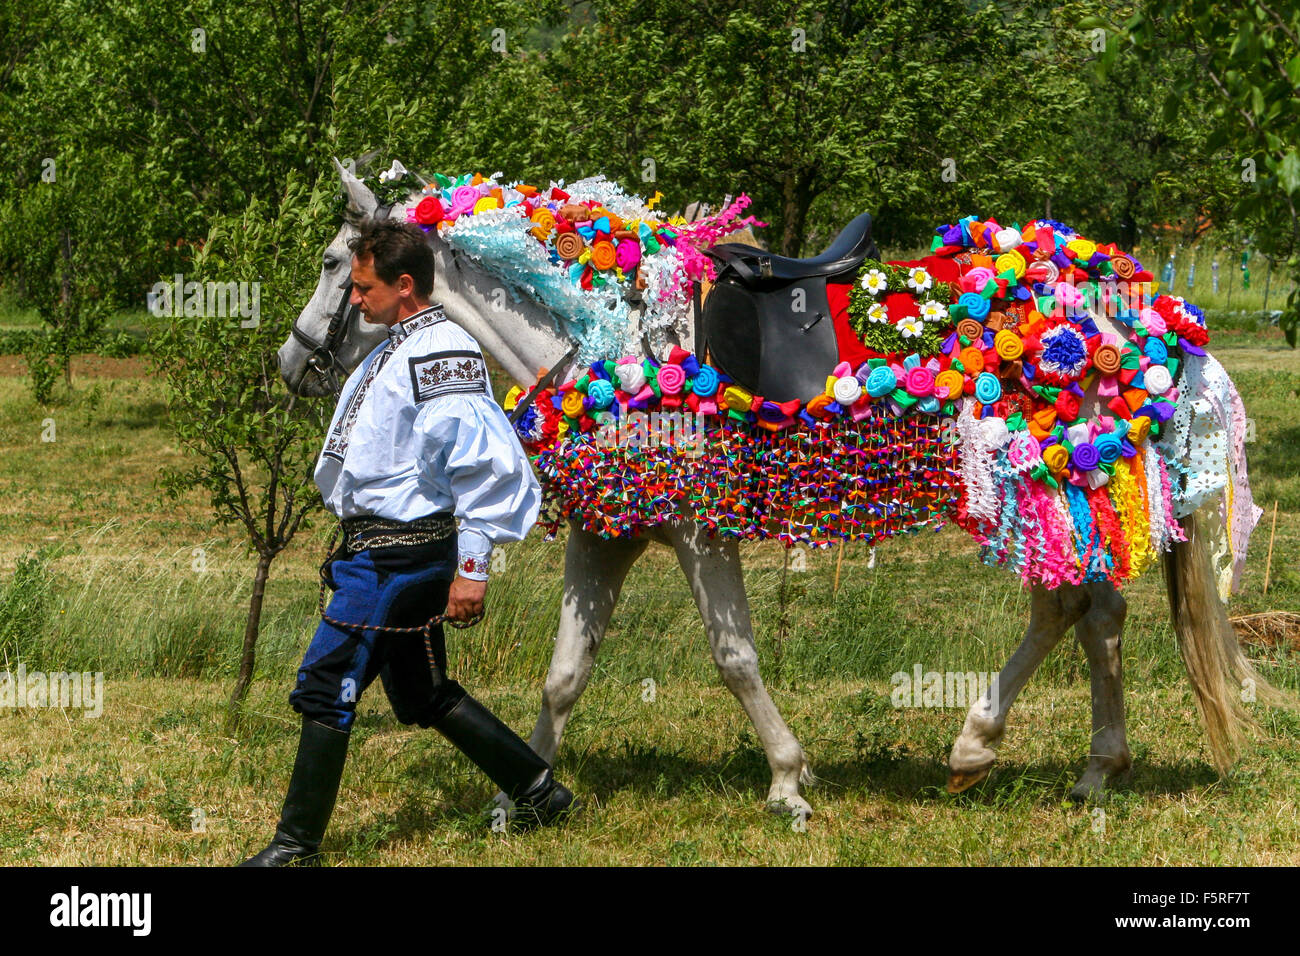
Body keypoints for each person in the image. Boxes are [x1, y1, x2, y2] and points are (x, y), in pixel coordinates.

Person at [241, 218, 575, 866]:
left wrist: (474, 568)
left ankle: (295, 847)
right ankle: (539, 790)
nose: (355, 300)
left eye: (363, 288)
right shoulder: (400, 342)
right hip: (385, 549)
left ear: (403, 285)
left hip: (397, 557)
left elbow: (481, 465)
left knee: (326, 681)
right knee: (423, 693)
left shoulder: (440, 351)